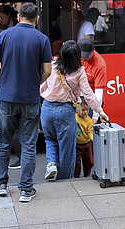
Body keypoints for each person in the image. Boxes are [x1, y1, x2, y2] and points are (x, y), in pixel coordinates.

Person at [0, 2, 52, 202]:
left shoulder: (5, 35)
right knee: (28, 144)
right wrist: (34, 83)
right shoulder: (42, 39)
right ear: (37, 18)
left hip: (6, 97)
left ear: (18, 16)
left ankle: (1, 184)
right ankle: (26, 189)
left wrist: (3, 81)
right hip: (30, 98)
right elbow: (48, 71)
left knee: (3, 141)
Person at [40, 40, 108, 181]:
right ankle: (64, 181)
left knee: (50, 140)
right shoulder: (79, 71)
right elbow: (88, 94)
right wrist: (99, 111)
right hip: (65, 111)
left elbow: (41, 86)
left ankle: (51, 163)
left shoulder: (52, 66)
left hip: (46, 108)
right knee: (67, 149)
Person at [79, 37, 107, 118]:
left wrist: (95, 116)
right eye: (82, 56)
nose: (83, 59)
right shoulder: (77, 57)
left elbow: (98, 92)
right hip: (77, 98)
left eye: (86, 56)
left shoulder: (100, 65)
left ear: (93, 51)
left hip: (91, 101)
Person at [74, 96, 94, 178]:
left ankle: (87, 173)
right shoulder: (74, 117)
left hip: (86, 143)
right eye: (83, 110)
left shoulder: (89, 120)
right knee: (76, 162)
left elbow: (90, 131)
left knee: (89, 161)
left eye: (87, 110)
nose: (85, 112)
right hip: (77, 144)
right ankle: (76, 175)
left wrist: (92, 137)